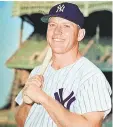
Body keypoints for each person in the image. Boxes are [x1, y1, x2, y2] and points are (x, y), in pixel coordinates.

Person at [15, 2, 112, 127]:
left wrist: (43, 99)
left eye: (66, 26)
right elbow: (21, 122)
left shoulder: (92, 77)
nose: (57, 31)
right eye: (52, 25)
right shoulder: (37, 72)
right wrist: (27, 103)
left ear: (80, 34)